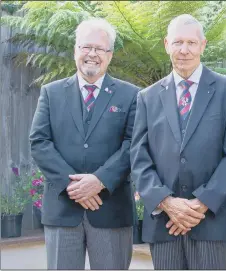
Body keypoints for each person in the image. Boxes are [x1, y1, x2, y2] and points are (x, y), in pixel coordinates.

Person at [130, 14, 226, 270]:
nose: (184, 50)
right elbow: (139, 157)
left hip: (211, 222)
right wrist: (166, 202)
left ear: (203, 45)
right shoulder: (147, 98)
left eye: (191, 43)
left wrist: (201, 203)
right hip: (164, 223)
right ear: (166, 44)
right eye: (177, 42)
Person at [29, 18, 139, 270]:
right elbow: (39, 142)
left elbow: (134, 144)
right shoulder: (51, 92)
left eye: (99, 48)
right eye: (86, 47)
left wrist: (99, 180)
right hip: (63, 210)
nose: (92, 54)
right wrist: (73, 185)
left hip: (111, 210)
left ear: (110, 54)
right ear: (75, 50)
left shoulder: (131, 95)